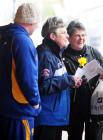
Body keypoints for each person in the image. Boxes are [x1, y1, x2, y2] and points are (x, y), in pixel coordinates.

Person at [34, 17, 82, 140]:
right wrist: (68, 80)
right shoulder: (45, 55)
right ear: (53, 36)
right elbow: (42, 86)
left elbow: (57, 81)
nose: (67, 36)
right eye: (63, 32)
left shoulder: (55, 54)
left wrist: (71, 82)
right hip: (47, 118)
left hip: (54, 118)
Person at [0, 3, 41, 140]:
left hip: (5, 109)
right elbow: (28, 78)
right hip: (19, 111)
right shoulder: (22, 40)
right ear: (33, 21)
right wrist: (35, 103)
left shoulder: (4, 36)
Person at [62, 20, 103, 140]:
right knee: (74, 136)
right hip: (74, 106)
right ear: (69, 37)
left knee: (95, 136)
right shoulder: (63, 55)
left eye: (83, 35)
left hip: (94, 105)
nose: (81, 38)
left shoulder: (93, 52)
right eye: (77, 35)